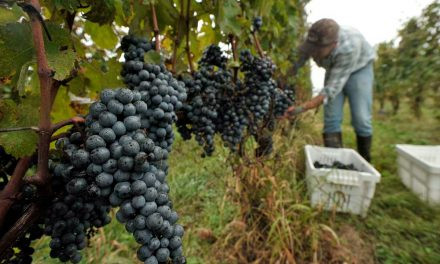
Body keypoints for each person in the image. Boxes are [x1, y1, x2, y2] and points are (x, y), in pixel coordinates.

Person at [284, 18, 375, 162]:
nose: (313, 53)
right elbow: (295, 63)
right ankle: (335, 164)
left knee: (361, 118)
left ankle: (365, 161)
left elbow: (330, 91)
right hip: (334, 68)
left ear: (334, 45)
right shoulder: (313, 41)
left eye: (318, 50)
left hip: (359, 69)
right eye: (312, 48)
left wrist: (299, 109)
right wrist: (279, 81)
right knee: (331, 119)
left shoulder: (348, 47)